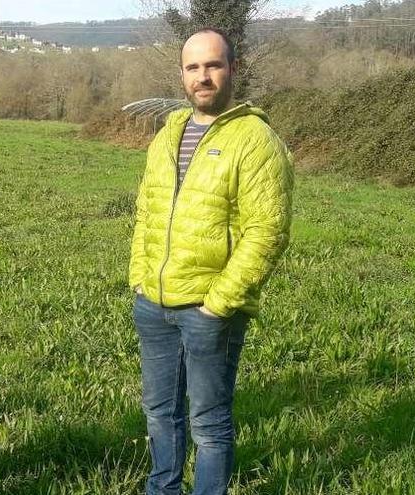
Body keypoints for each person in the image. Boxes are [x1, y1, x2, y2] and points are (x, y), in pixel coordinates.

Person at [128, 29, 293, 495]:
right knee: (160, 412)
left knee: (208, 423)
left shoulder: (255, 139)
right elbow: (146, 209)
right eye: (193, 67)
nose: (203, 77)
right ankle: (162, 489)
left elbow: (268, 231)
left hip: (209, 310)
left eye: (213, 65)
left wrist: (219, 304)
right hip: (153, 303)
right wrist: (140, 278)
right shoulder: (168, 133)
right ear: (182, 74)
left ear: (232, 70)